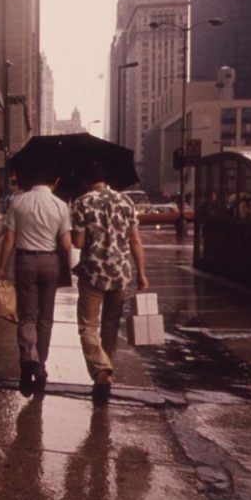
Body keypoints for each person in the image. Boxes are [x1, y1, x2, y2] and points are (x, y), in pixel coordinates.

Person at [70, 160, 148, 390]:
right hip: (120, 274)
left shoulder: (82, 202)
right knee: (111, 324)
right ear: (106, 180)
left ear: (86, 181)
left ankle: (101, 369)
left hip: (93, 274)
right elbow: (135, 240)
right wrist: (141, 274)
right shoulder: (126, 201)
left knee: (87, 326)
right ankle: (107, 367)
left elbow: (79, 242)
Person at [0, 165, 72, 395]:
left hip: (25, 261)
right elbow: (66, 244)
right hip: (50, 262)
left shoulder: (18, 202)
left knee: (27, 315)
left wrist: (0, 268)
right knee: (45, 318)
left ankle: (28, 354)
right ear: (55, 181)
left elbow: (9, 238)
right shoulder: (60, 206)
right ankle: (40, 365)